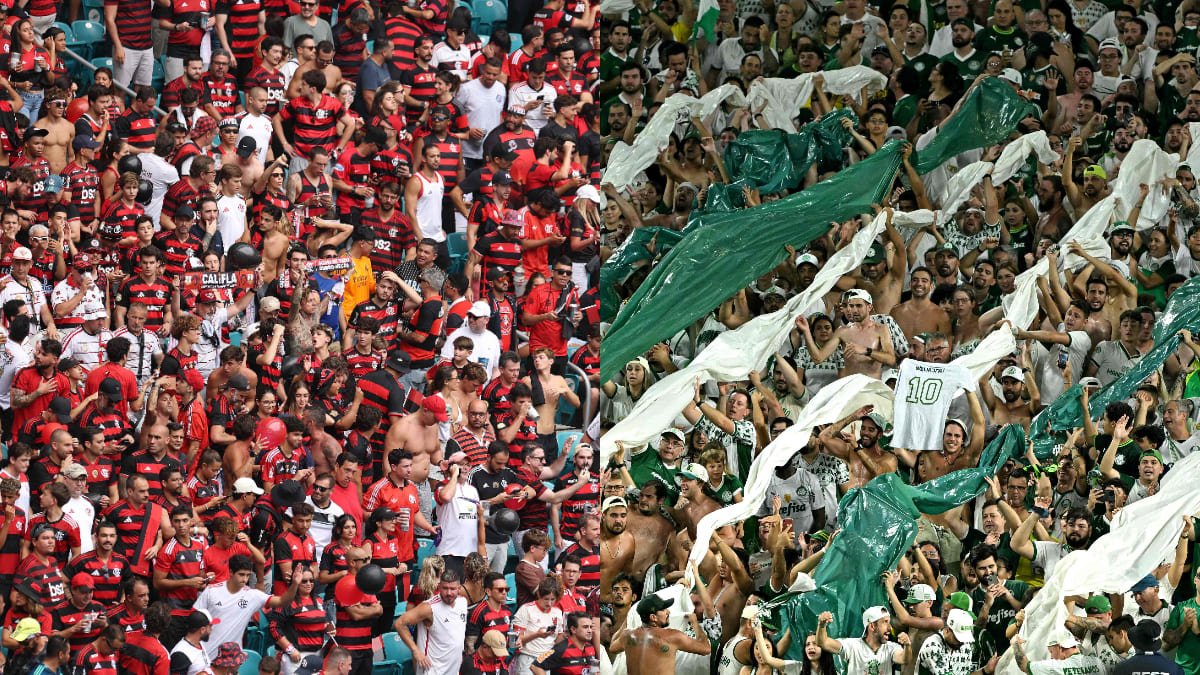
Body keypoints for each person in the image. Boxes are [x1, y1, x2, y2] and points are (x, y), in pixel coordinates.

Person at [610, 595, 711, 675]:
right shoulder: (671, 636)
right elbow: (706, 649)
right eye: (663, 610)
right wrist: (694, 623)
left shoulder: (627, 636)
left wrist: (627, 621)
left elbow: (612, 648)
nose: (668, 612)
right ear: (653, 617)